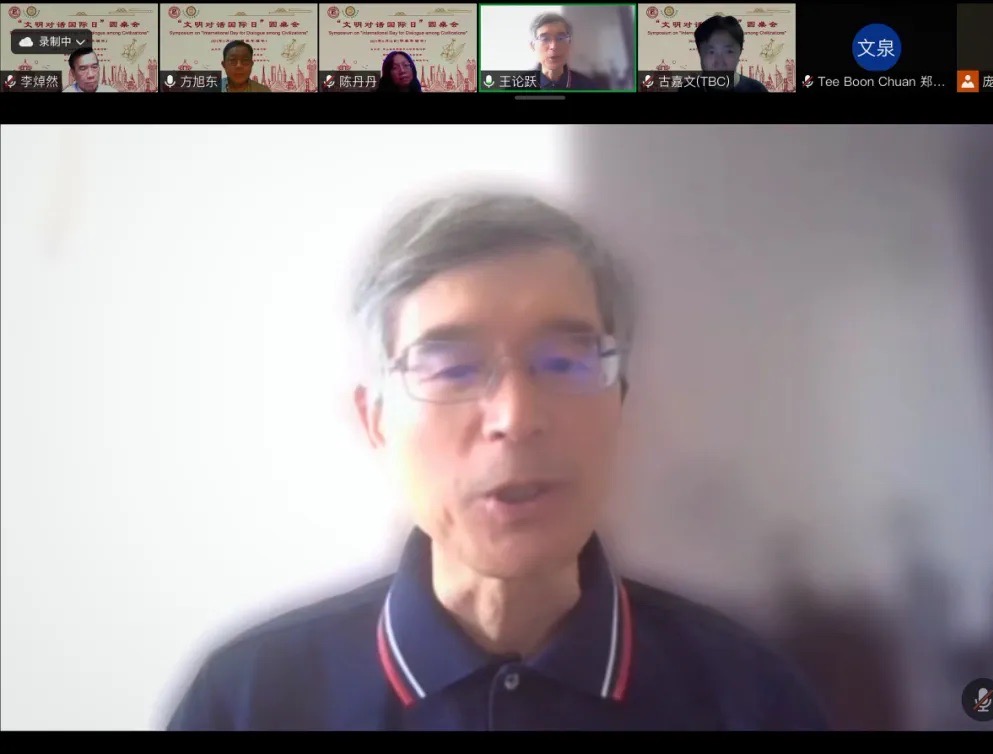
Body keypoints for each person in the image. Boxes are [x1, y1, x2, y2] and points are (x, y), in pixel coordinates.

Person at [165, 190, 829, 731]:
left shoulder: (749, 697)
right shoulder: (249, 700)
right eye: (452, 367)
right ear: (375, 421)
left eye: (565, 362)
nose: (514, 416)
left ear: (619, 403)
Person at [681, 15, 768, 93]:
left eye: (728, 52)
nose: (720, 62)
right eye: (711, 52)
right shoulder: (687, 90)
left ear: (740, 52)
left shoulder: (756, 89)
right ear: (700, 52)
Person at [529, 13, 599, 90]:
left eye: (560, 38)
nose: (554, 46)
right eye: (545, 39)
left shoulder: (588, 86)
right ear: (533, 46)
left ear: (569, 43)